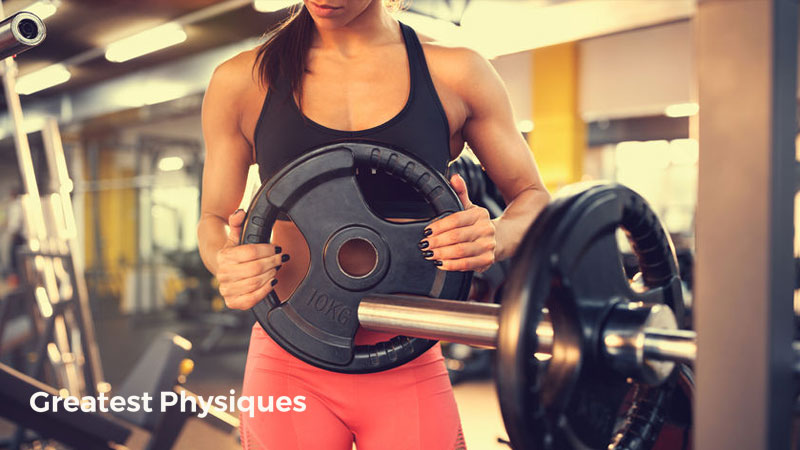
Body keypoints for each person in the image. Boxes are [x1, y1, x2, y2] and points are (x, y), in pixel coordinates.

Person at [197, 1, 550, 448]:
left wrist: (494, 236)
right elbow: (213, 218)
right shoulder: (243, 80)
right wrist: (224, 261)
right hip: (290, 354)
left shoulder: (456, 72)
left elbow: (534, 199)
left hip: (408, 350)